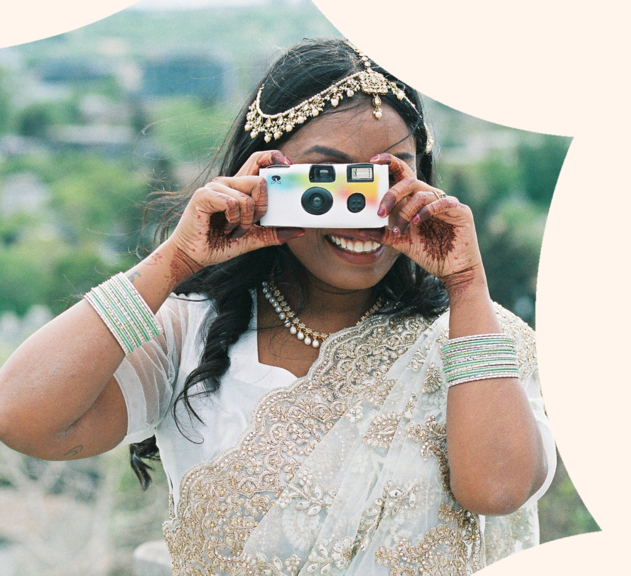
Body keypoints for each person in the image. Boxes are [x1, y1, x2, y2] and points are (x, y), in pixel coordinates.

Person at [0, 38, 556, 575]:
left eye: (387, 178)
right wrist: (174, 262)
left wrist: (464, 283)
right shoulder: (191, 332)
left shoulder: (473, 338)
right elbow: (22, 416)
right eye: (328, 180)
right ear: (264, 176)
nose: (360, 213)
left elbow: (497, 489)